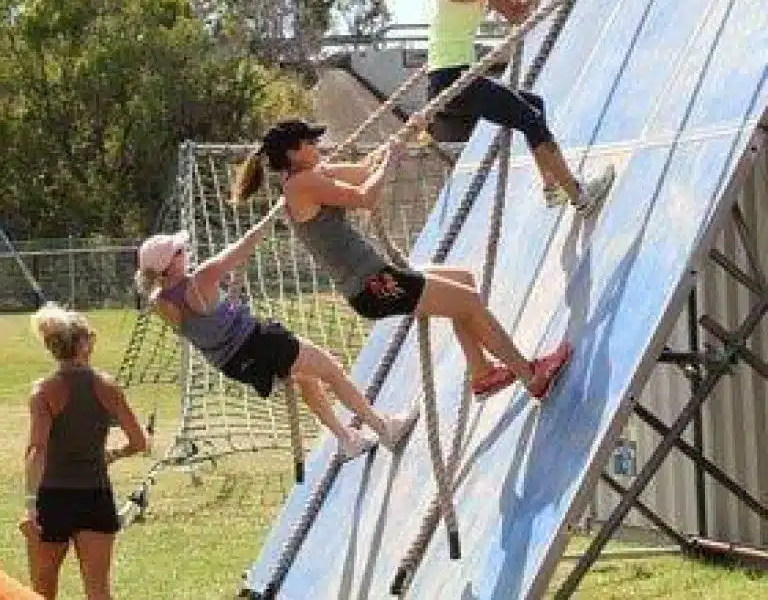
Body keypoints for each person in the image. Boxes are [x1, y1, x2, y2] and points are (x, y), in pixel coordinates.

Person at [231, 119, 573, 402]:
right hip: (373, 285)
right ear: (293, 152)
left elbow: (364, 171)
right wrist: (393, 159)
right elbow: (366, 197)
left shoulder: (309, 175)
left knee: (463, 282)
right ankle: (531, 377)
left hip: (379, 278)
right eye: (311, 142)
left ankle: (482, 374)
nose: (318, 146)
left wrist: (403, 136)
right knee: (467, 302)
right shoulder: (301, 185)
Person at [135, 226, 415, 463]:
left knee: (307, 379)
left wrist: (227, 303)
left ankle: (346, 440)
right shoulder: (202, 277)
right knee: (330, 369)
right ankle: (383, 428)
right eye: (179, 252)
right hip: (259, 341)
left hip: (234, 364)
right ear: (168, 264)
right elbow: (243, 247)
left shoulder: (159, 302)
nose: (186, 253)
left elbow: (206, 320)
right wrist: (267, 223)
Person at [427, 0, 614, 214]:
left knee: (533, 105)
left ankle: (551, 186)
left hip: (447, 81)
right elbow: (518, 14)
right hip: (457, 78)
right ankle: (578, 195)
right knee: (531, 120)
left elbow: (517, 8)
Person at [21, 304, 148, 600]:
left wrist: (30, 507)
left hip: (52, 498)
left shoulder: (43, 391)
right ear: (83, 344)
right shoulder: (109, 388)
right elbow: (140, 443)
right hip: (95, 496)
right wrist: (113, 454)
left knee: (42, 590)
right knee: (98, 590)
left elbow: (36, 450)